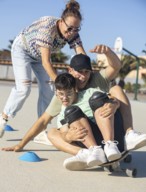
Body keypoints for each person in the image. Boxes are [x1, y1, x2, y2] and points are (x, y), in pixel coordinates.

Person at [2, 48, 146, 155]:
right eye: (79, 72)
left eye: (86, 72)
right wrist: (21, 145)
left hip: (107, 124)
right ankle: (86, 153)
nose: (83, 76)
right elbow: (43, 121)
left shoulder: (96, 82)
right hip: (87, 133)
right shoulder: (64, 94)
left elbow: (115, 66)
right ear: (70, 70)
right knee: (55, 130)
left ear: (91, 72)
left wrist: (114, 104)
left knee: (115, 90)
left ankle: (129, 133)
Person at [0, 0, 85, 138]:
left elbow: (81, 55)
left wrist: (86, 72)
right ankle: (3, 118)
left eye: (76, 29)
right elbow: (46, 62)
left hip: (39, 56)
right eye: (69, 28)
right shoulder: (48, 27)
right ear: (61, 21)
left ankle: (40, 130)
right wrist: (61, 86)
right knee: (24, 88)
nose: (71, 33)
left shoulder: (73, 32)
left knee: (48, 90)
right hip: (23, 49)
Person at [48, 73, 123, 171]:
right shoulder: (62, 113)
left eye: (69, 93)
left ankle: (110, 144)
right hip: (91, 143)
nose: (65, 98)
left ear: (75, 89)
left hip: (110, 134)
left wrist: (114, 104)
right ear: (56, 92)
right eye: (61, 94)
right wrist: (68, 137)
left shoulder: (89, 93)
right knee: (69, 114)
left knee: (98, 98)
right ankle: (92, 152)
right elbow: (64, 134)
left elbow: (113, 98)